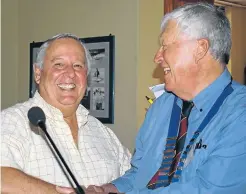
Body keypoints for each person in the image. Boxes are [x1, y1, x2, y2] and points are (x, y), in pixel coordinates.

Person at [59, 2, 246, 194]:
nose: (157, 57)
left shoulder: (240, 114)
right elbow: (139, 175)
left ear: (200, 49)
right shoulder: (162, 107)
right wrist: (108, 189)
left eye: (165, 46)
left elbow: (207, 190)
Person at [1, 33, 131, 194]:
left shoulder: (104, 133)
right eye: (59, 64)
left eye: (78, 66)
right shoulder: (11, 121)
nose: (70, 74)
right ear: (38, 73)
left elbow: (133, 180)